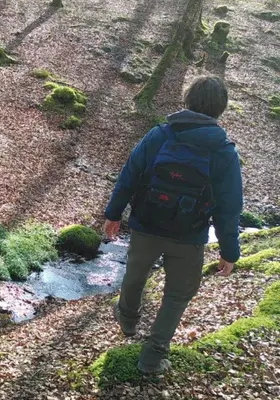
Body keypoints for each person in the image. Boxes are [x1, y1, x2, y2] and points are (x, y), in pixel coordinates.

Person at [103, 75, 243, 374]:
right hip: (189, 236)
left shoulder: (160, 135)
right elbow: (229, 207)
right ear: (221, 109)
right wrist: (229, 251)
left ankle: (127, 319)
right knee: (178, 294)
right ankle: (152, 357)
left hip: (146, 224)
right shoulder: (224, 152)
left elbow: (130, 175)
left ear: (187, 100)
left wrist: (113, 213)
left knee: (135, 274)